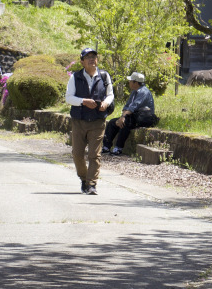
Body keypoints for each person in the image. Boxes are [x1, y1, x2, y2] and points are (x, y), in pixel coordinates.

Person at [66, 47, 114, 195]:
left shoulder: (104, 76)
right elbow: (69, 98)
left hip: (98, 120)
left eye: (94, 57)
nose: (92, 59)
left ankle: (92, 184)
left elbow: (110, 94)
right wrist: (83, 101)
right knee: (77, 154)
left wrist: (106, 102)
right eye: (88, 57)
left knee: (95, 154)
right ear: (82, 62)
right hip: (79, 121)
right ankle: (84, 179)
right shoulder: (75, 77)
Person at [102, 71, 158, 155]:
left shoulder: (143, 92)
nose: (129, 82)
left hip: (143, 118)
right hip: (133, 116)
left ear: (136, 82)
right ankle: (106, 147)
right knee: (112, 123)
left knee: (125, 123)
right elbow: (127, 106)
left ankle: (118, 148)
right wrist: (122, 117)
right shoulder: (134, 92)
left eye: (131, 81)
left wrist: (123, 117)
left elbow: (134, 106)